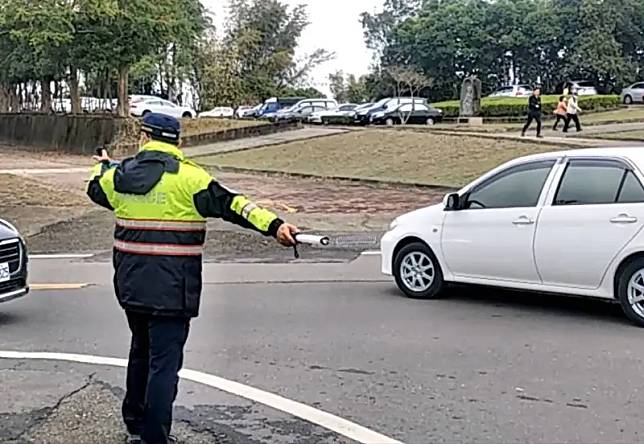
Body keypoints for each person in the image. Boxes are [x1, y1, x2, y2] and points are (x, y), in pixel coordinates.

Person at [86, 113, 299, 444]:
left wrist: (103, 164)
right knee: (164, 365)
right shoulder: (191, 179)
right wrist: (275, 225)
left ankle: (134, 420)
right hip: (173, 290)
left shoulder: (119, 176)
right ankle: (154, 438)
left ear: (144, 138)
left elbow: (95, 188)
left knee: (140, 350)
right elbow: (235, 205)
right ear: (178, 143)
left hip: (130, 285)